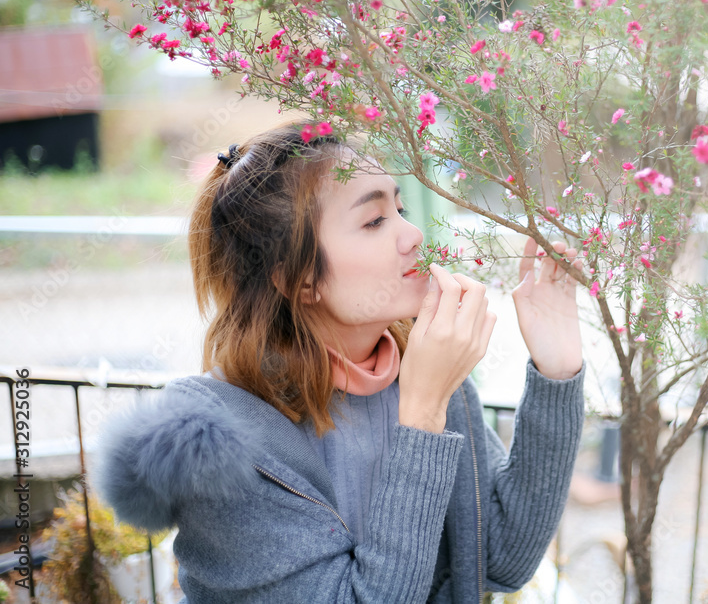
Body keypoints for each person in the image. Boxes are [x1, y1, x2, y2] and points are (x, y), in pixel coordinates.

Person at [94, 123, 586, 603]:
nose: (414, 234)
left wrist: (557, 369)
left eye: (399, 209)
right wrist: (422, 416)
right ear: (300, 279)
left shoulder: (419, 369)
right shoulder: (223, 446)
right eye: (374, 221)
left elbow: (500, 559)